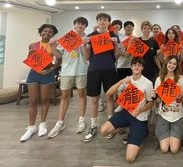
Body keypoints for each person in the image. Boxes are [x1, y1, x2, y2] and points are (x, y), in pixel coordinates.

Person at [100, 57, 154, 163]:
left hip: (139, 117)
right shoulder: (127, 80)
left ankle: (142, 131)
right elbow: (109, 94)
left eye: (139, 65)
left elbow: (151, 103)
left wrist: (140, 110)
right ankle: (124, 128)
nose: (137, 67)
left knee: (130, 158)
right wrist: (121, 81)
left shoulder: (147, 83)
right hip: (125, 113)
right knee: (103, 131)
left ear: (142, 68)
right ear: (131, 67)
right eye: (134, 65)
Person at [48, 17, 89, 139]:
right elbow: (59, 56)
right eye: (78, 24)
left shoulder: (87, 39)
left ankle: (81, 120)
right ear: (74, 25)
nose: (80, 26)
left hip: (81, 70)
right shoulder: (67, 38)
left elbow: (87, 57)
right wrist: (53, 46)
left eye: (82, 24)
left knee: (82, 95)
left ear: (85, 26)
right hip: (66, 71)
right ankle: (60, 122)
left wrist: (82, 44)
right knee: (64, 97)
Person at [83, 13, 121, 142]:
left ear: (108, 22)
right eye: (100, 20)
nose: (102, 22)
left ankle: (111, 124)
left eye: (105, 20)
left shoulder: (113, 35)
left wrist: (116, 44)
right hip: (94, 69)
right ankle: (93, 125)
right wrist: (84, 45)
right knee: (94, 99)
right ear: (97, 21)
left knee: (110, 96)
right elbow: (87, 57)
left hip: (109, 69)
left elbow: (116, 56)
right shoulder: (90, 36)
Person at [20, 24, 61, 142]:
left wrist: (51, 69)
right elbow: (29, 59)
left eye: (50, 32)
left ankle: (43, 123)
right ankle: (31, 127)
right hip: (34, 73)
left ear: (52, 34)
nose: (47, 33)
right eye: (45, 31)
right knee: (33, 100)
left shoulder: (53, 45)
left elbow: (59, 59)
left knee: (44, 99)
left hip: (47, 74)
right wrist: (29, 53)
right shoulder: (33, 45)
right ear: (41, 32)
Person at [154, 56, 183, 153]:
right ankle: (164, 134)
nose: (171, 65)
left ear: (177, 66)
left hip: (177, 115)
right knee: (164, 149)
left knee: (174, 149)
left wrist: (181, 93)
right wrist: (156, 95)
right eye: (170, 63)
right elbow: (157, 102)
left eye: (174, 64)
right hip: (163, 114)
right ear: (166, 64)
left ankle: (177, 136)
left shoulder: (181, 79)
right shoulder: (159, 79)